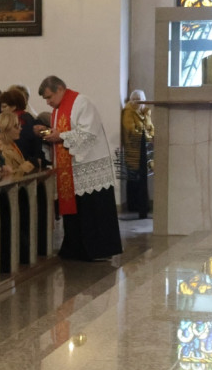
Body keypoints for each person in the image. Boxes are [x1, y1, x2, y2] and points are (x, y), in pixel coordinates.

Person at [36, 75, 123, 261]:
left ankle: (98, 250)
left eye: (49, 97)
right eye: (46, 99)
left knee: (92, 211)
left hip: (89, 166)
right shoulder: (58, 110)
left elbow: (88, 133)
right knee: (78, 211)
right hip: (72, 169)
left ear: (60, 88)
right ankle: (77, 249)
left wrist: (61, 136)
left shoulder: (81, 102)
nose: (48, 102)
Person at [122, 89, 153, 219]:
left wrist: (149, 135)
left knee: (143, 179)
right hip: (134, 150)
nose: (139, 103)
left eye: (141, 100)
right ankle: (134, 206)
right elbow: (131, 130)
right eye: (137, 100)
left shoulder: (145, 112)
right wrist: (146, 135)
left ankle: (143, 206)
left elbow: (151, 128)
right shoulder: (128, 112)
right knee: (134, 178)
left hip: (145, 149)